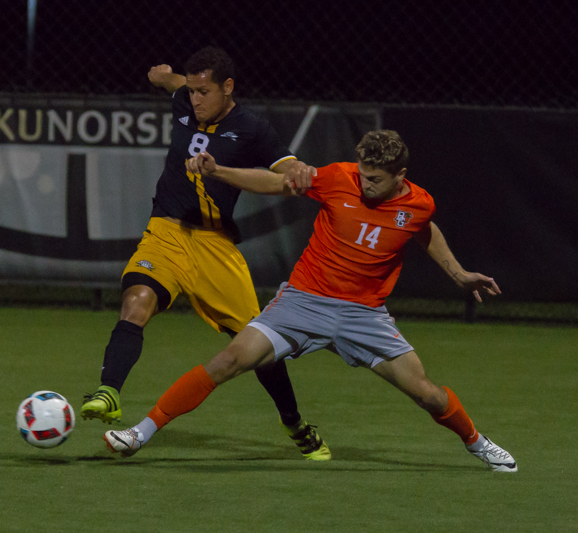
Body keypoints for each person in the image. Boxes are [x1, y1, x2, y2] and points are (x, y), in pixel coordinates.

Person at [102, 130, 518, 472]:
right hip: (304, 301)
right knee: (229, 360)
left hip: (364, 315)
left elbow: (424, 229)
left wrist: (459, 274)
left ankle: (478, 443)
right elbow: (277, 182)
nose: (365, 183)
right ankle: (140, 433)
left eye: (375, 179)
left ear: (400, 175)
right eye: (363, 174)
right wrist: (220, 171)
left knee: (428, 394)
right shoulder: (339, 177)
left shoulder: (419, 203)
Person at [80, 46, 330, 460]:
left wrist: (300, 171)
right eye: (191, 91)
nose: (195, 99)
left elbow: (287, 168)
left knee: (258, 346)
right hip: (166, 232)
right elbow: (174, 82)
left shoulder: (251, 129)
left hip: (216, 247)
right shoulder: (185, 98)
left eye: (204, 92)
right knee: (136, 300)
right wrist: (161, 75)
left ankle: (293, 422)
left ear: (227, 88)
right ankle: (109, 392)